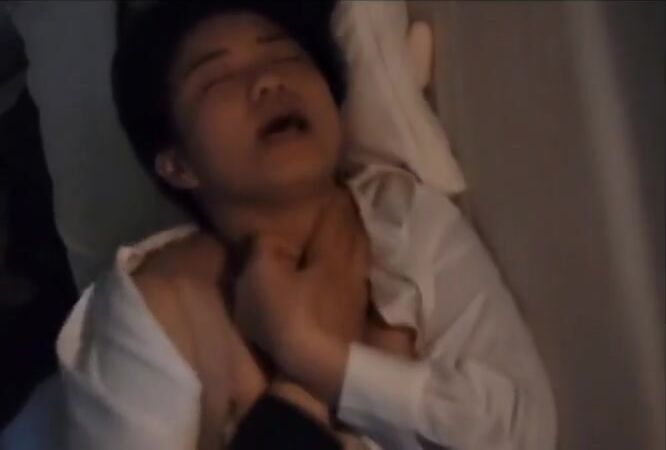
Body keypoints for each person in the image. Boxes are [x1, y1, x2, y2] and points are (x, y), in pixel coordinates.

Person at [56, 1, 557, 449]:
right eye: (216, 79)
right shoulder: (162, 304)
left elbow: (524, 434)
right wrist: (306, 397)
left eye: (286, 56)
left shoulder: (406, 219)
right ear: (178, 165)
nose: (268, 81)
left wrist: (314, 354)